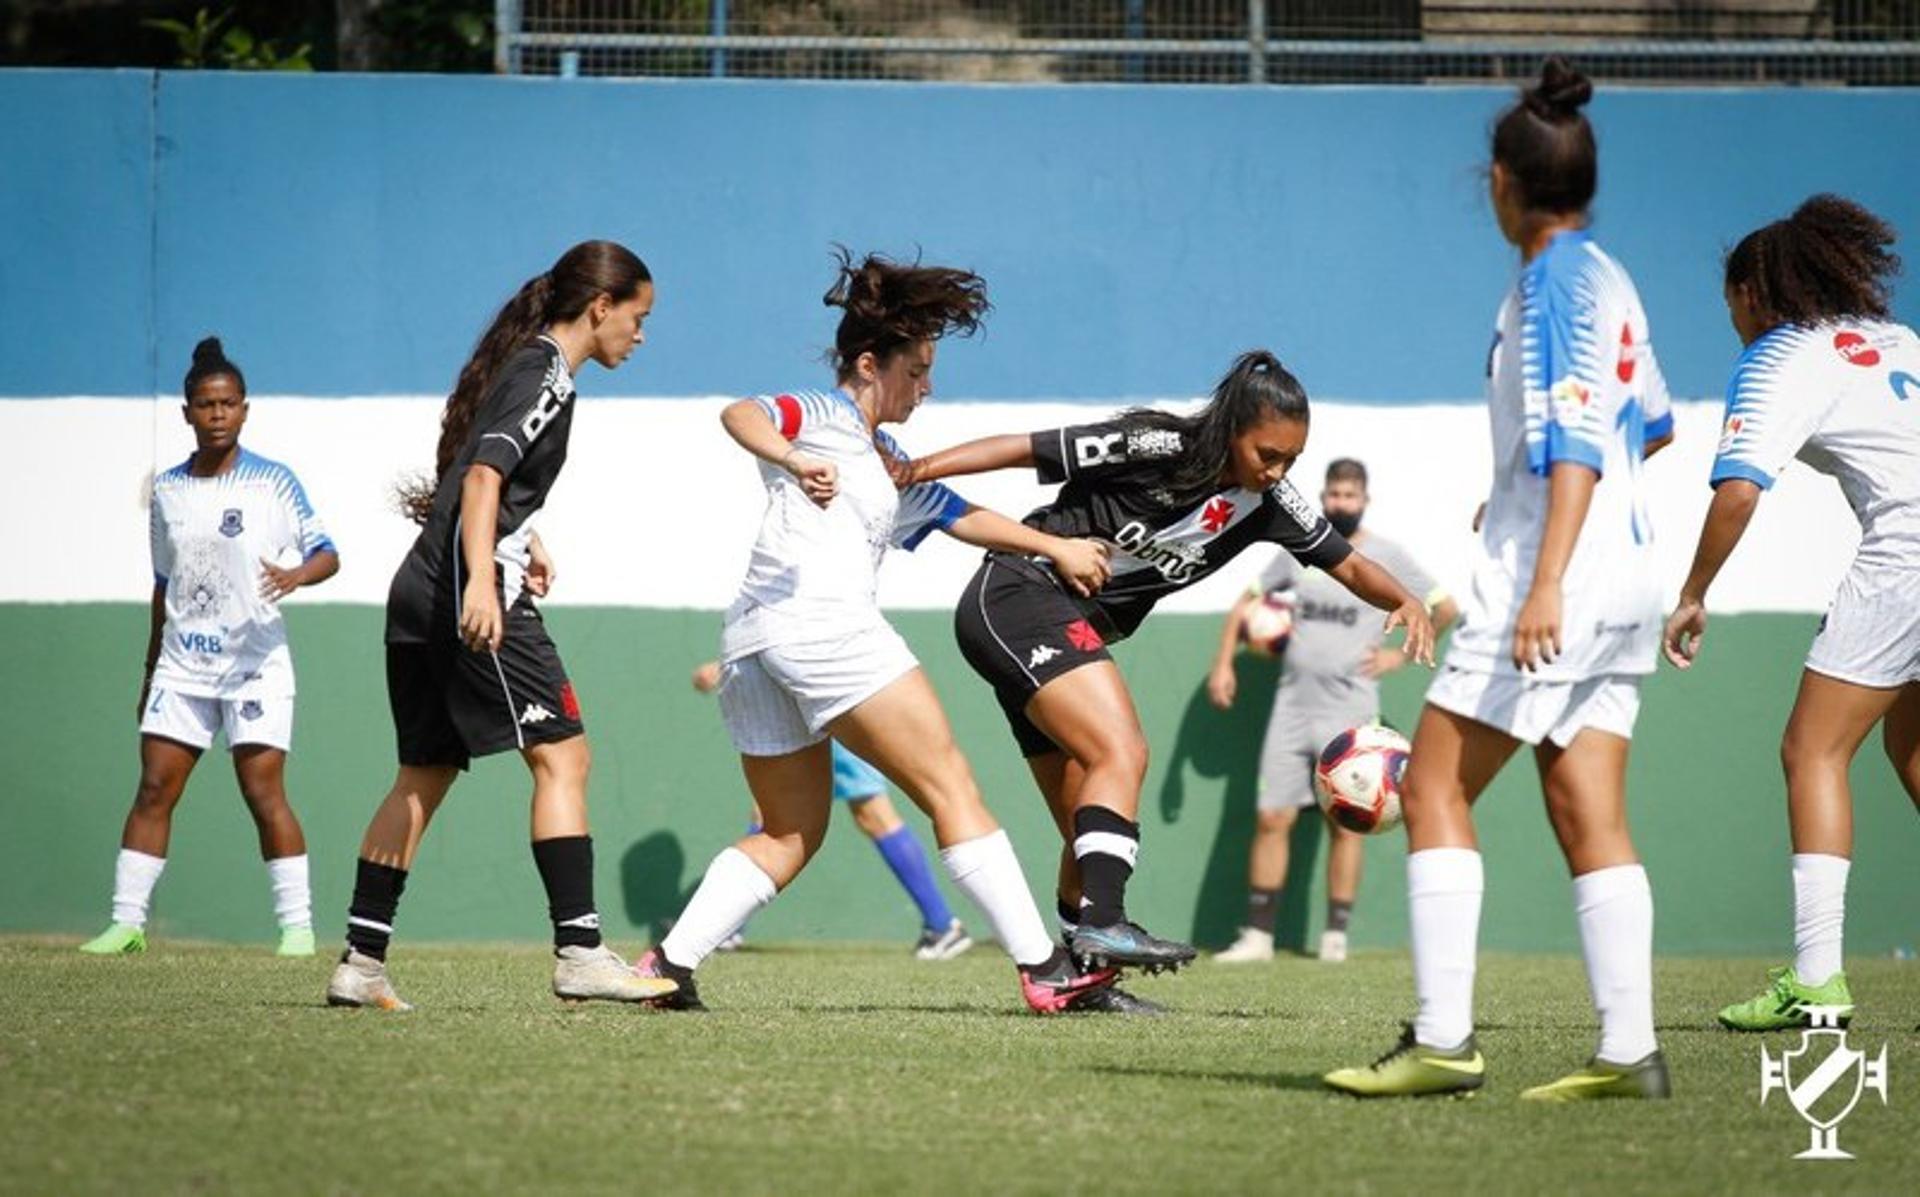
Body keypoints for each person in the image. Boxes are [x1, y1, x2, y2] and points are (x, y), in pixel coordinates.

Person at [632, 250, 1118, 1014]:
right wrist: (793, 458)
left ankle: (667, 964)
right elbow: (742, 414)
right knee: (951, 783)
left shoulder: (885, 461)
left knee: (790, 831)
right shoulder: (824, 418)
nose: (927, 388)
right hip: (824, 626)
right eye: (917, 371)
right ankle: (1044, 967)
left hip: (754, 643)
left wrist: (1054, 546)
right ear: (868, 362)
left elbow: (958, 515)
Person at [1322, 59, 1677, 1102]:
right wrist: (1525, 504)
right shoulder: (1612, 277)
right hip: (1626, 577)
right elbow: (1644, 429)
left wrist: (1544, 572)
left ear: (1502, 183)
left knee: (1429, 787)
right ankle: (1629, 1053)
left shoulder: (1551, 284)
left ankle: (1441, 1040)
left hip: (1556, 582)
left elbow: (1576, 442)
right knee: (1586, 807)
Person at [907, 351, 1436, 1002]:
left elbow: (1348, 564)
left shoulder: (1271, 503)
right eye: (1266, 452)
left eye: (1291, 460)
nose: (1276, 471)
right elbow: (1023, 448)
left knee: (1088, 823)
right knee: (1122, 749)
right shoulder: (1155, 444)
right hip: (1018, 593)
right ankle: (1105, 922)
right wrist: (915, 470)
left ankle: (1082, 981)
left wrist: (1404, 600)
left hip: (1054, 626)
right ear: (1232, 428)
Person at [326, 240, 675, 1011]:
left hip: (416, 590)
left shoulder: (522, 365)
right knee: (565, 757)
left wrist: (522, 537)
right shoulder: (548, 373)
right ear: (600, 307)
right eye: (638, 317)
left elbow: (478, 475)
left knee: (424, 771)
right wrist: (484, 578)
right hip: (464, 595)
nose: (640, 335)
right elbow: (483, 473)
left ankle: (360, 961)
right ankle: (580, 949)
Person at [1663, 195, 1919, 1032]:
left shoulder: (1780, 353)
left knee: (1812, 748)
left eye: (1732, 301)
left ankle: (1817, 979)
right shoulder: (1897, 341)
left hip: (1907, 558)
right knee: (1911, 746)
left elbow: (1740, 488)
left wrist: (1694, 590)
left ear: (1755, 293)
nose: (1732, 317)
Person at [80, 337, 339, 958]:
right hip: (182, 665)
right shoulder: (168, 490)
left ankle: (297, 929)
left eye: (227, 404)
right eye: (205, 404)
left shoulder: (273, 482)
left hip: (255, 667)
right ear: (187, 413)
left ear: (245, 410)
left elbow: (328, 554)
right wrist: (150, 667)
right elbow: (162, 583)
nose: (217, 414)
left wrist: (295, 576)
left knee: (263, 794)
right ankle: (126, 923)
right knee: (153, 789)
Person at [1207, 458, 1457, 964]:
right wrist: (1223, 665)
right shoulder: (1301, 550)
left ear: (1364, 499)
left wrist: (1399, 656)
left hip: (1352, 714)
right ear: (1323, 497)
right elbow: (1246, 603)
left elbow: (1444, 607)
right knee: (1272, 817)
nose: (1340, 503)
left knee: (1348, 821)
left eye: (1349, 495)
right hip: (1291, 707)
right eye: (1333, 495)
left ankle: (1335, 937)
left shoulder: (1388, 556)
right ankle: (1257, 937)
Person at [690, 661, 972, 959]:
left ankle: (942, 924)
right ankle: (941, 924)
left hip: (829, 710)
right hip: (824, 708)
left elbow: (796, 636)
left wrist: (728, 666)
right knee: (860, 816)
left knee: (864, 815)